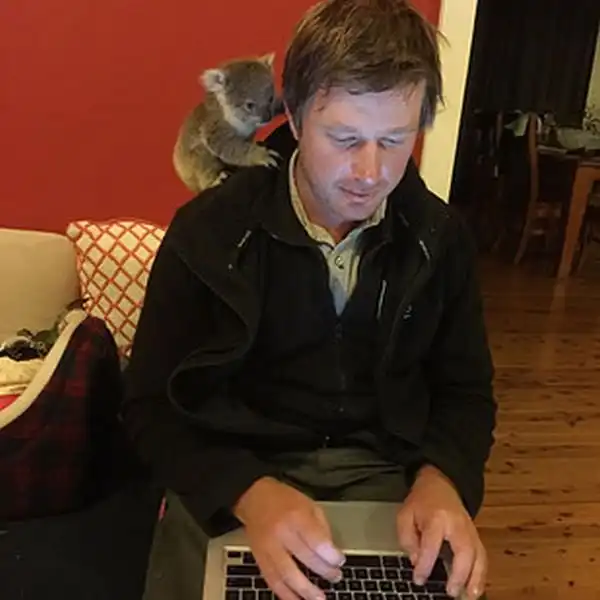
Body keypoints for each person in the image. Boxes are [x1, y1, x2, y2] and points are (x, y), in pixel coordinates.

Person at [122, 1, 497, 600]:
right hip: (230, 473)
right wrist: (249, 493)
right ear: (293, 118)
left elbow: (466, 391)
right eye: (344, 139)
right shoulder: (207, 232)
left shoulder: (440, 238)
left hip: (385, 480)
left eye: (395, 140)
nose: (370, 173)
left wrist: (444, 480)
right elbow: (148, 405)